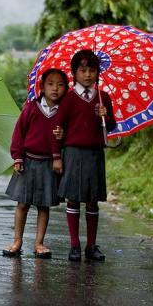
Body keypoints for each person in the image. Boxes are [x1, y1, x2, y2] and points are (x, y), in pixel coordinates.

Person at [51, 49, 116, 262]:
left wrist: (105, 116)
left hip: (95, 153)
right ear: (74, 73)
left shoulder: (103, 97)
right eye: (82, 70)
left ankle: (91, 245)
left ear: (98, 72)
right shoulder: (68, 98)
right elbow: (58, 126)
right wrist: (57, 156)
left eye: (92, 70)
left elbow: (112, 126)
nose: (87, 75)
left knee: (91, 200)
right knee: (73, 199)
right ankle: (75, 245)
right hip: (73, 153)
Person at [3, 69, 69, 259]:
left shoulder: (65, 113)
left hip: (49, 164)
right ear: (42, 87)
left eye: (60, 84)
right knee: (22, 204)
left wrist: (63, 137)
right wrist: (17, 157)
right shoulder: (31, 108)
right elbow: (18, 134)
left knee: (43, 205)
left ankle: (39, 243)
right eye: (50, 83)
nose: (55, 88)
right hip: (28, 161)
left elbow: (70, 138)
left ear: (66, 88)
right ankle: (17, 241)